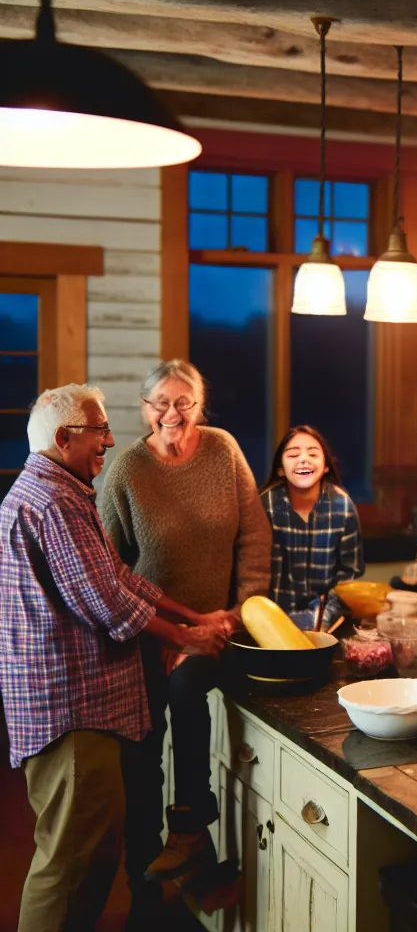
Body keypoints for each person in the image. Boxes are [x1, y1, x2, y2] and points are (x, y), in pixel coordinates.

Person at [0, 384, 230, 932]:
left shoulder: (60, 491)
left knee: (89, 854)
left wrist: (192, 616)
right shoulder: (54, 501)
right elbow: (105, 602)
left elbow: (120, 578)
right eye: (98, 430)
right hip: (71, 713)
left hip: (73, 710)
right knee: (68, 863)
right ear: (64, 438)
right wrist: (185, 638)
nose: (108, 440)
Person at [98, 360, 271, 918]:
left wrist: (234, 614)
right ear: (144, 408)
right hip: (146, 636)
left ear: (200, 405)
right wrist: (168, 630)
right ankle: (145, 892)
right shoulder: (126, 469)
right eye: (161, 403)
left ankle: (192, 829)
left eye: (184, 402)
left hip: (218, 627)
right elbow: (108, 568)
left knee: (187, 688)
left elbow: (254, 537)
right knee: (142, 759)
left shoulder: (223, 451)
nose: (172, 413)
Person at [260, 425, 364, 631]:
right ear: (280, 469)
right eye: (293, 455)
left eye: (313, 454)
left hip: (328, 624)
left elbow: (350, 575)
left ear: (326, 466)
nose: (303, 460)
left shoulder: (343, 507)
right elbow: (253, 571)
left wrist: (322, 619)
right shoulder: (265, 505)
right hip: (270, 622)